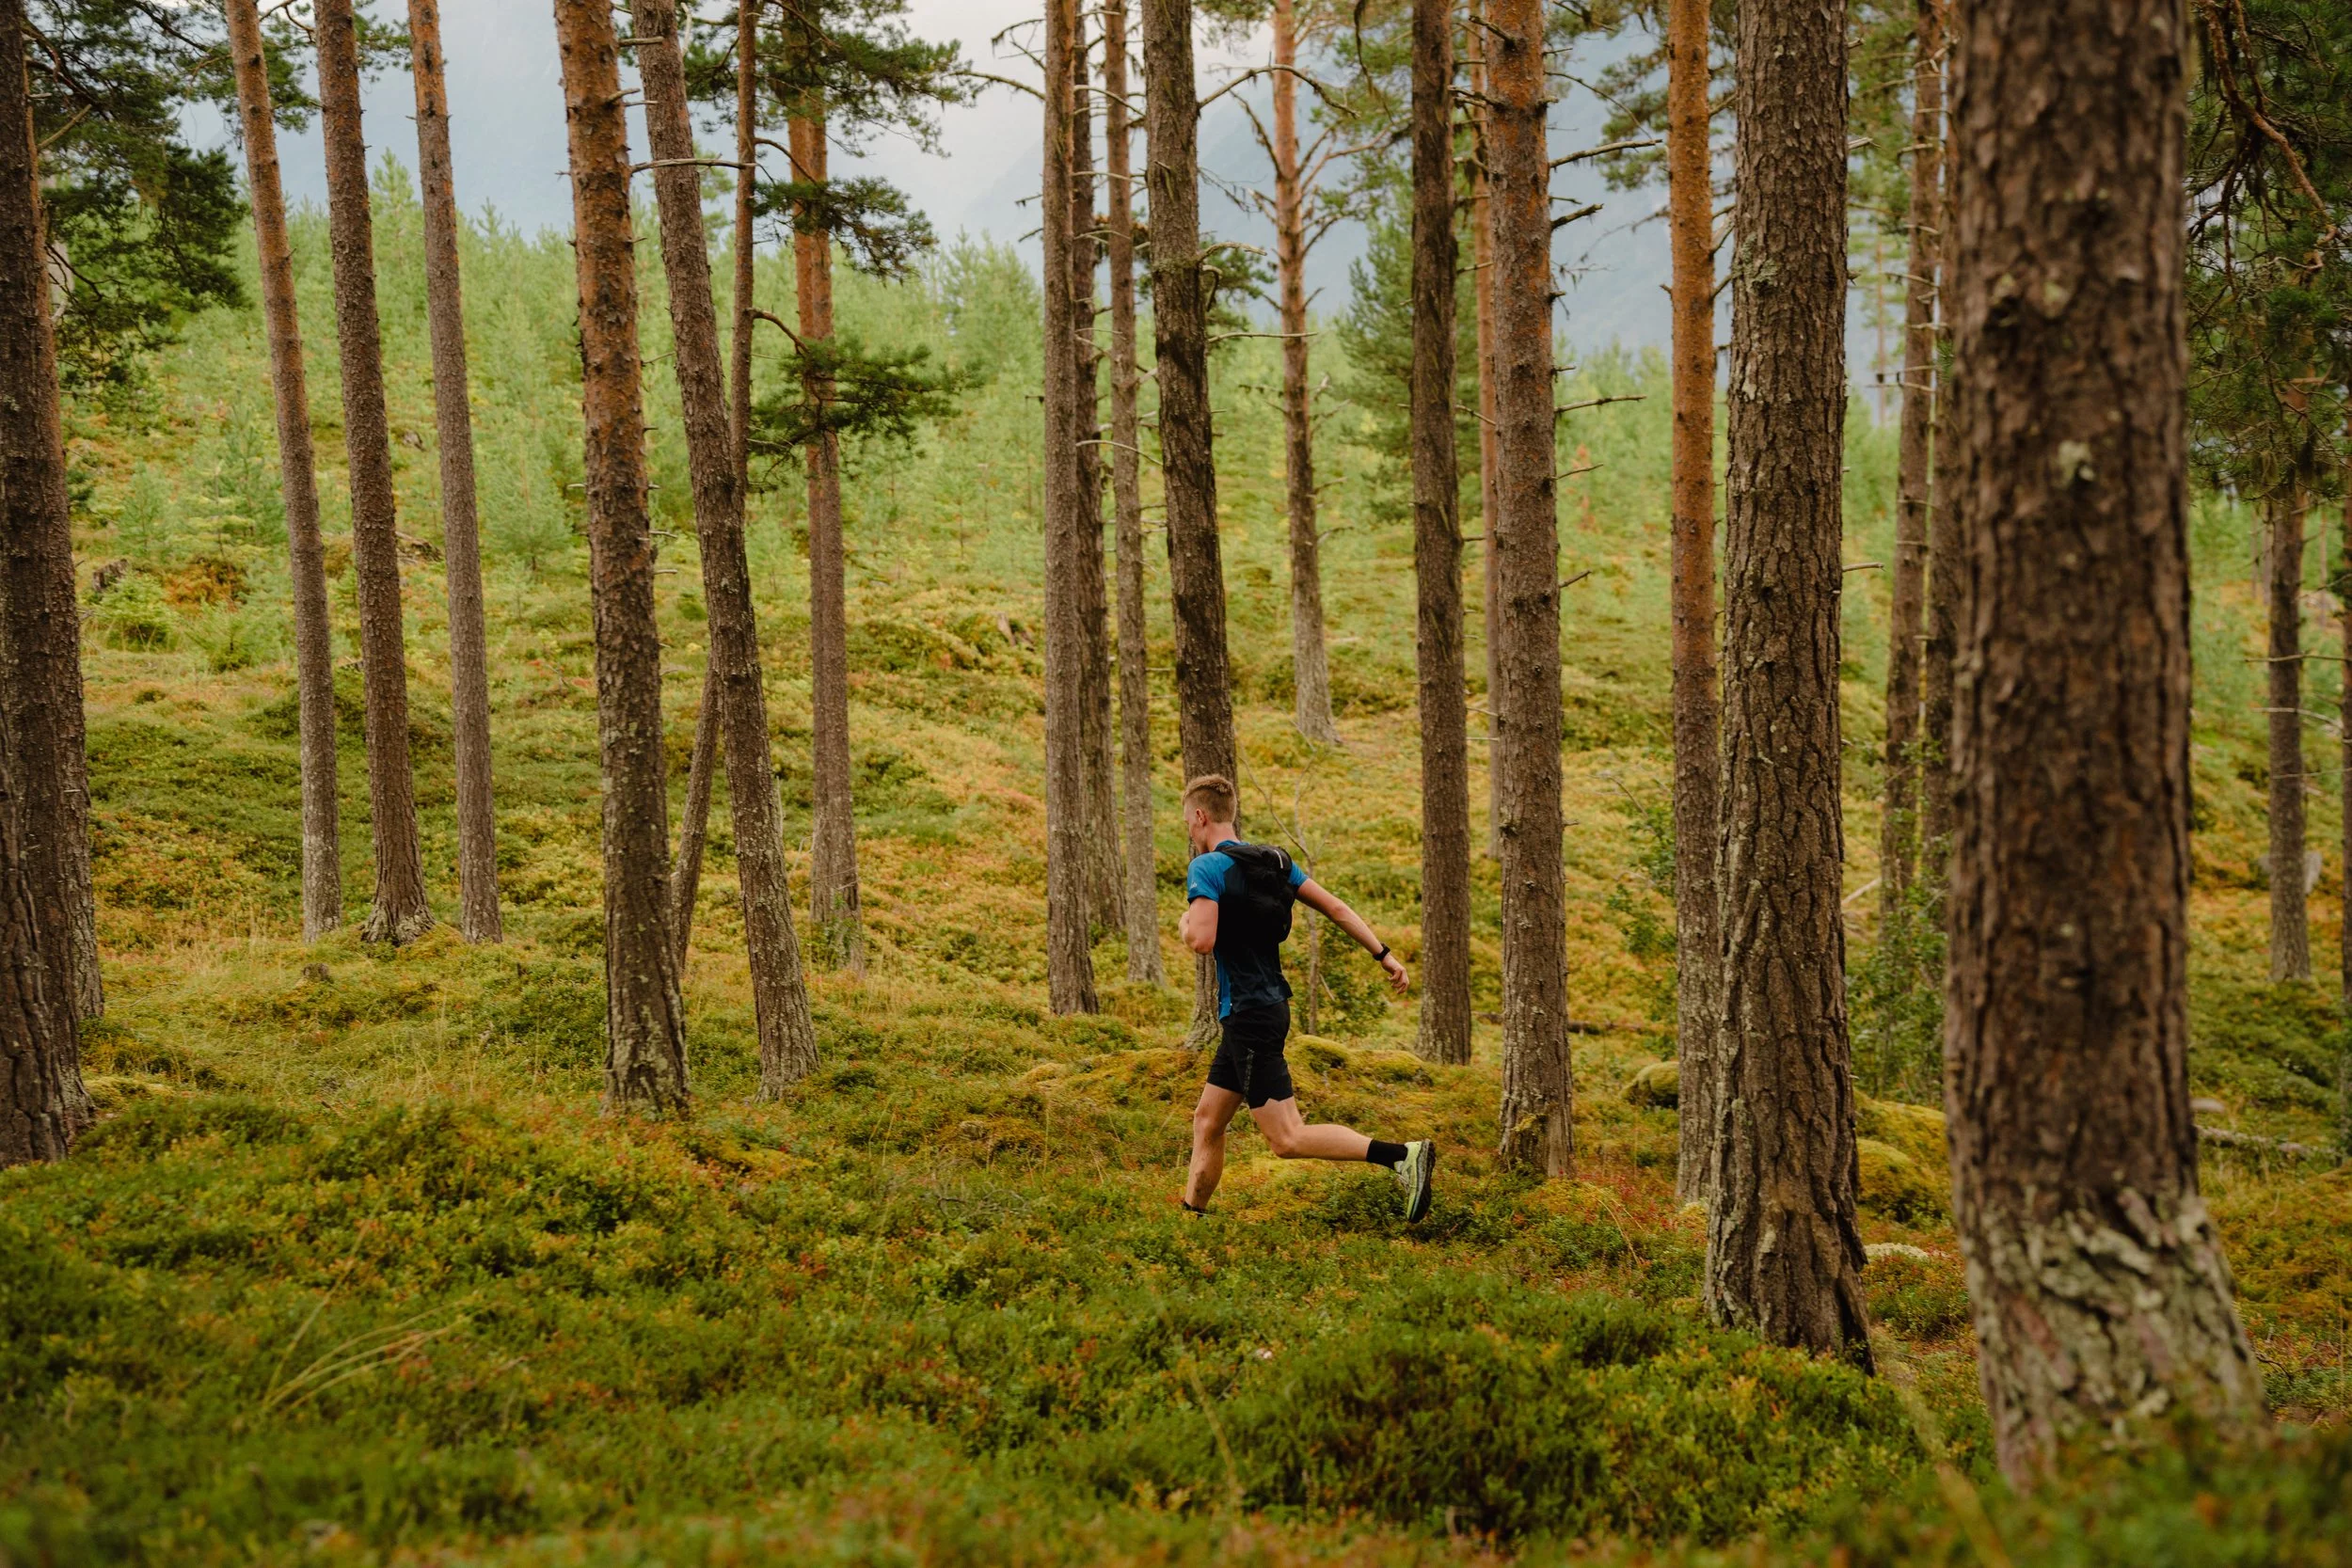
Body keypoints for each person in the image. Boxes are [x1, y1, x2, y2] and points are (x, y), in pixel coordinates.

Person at [1175, 773, 1436, 1220]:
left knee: (1287, 1138)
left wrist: (1183, 923)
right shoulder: (1274, 862)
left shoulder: (1208, 868)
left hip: (1250, 1015)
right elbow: (1334, 907)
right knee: (1207, 1121)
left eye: (1188, 825)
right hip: (1264, 1009)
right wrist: (1384, 954)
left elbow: (1200, 940)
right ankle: (1192, 1216)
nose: (1191, 835)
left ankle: (1402, 1156)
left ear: (1200, 817)